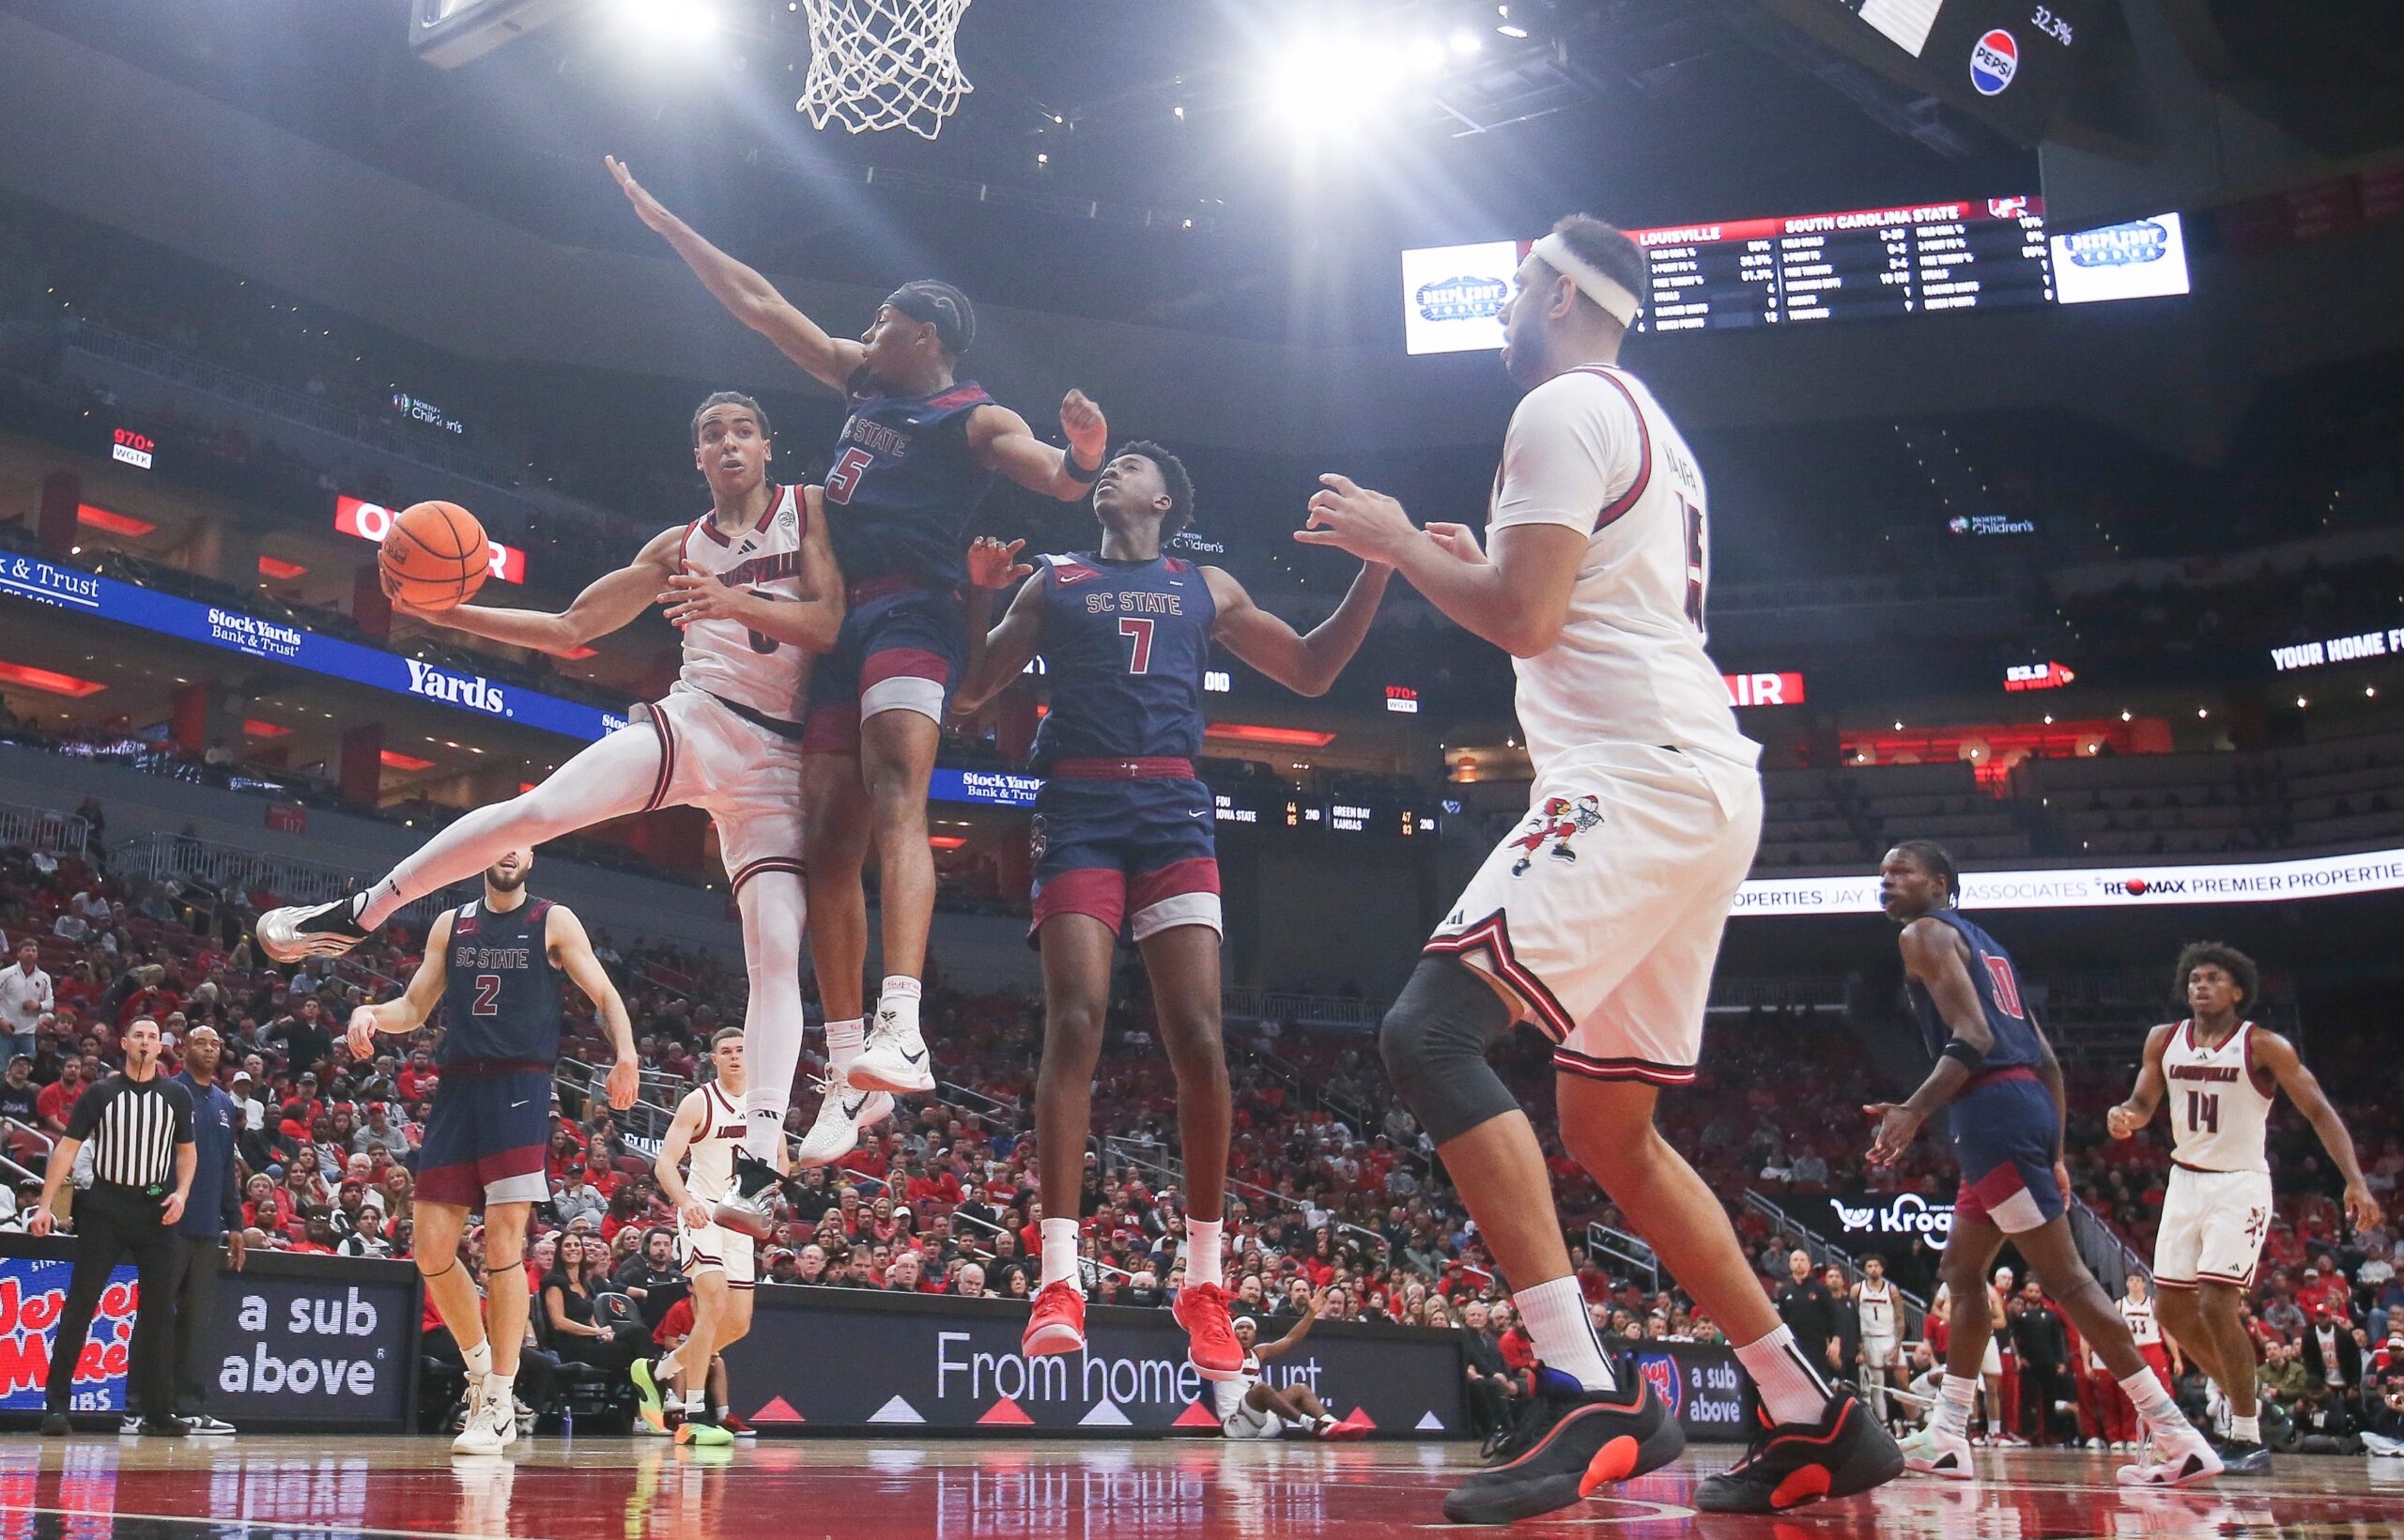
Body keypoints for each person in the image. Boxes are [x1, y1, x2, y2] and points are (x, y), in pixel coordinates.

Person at [1298, 213, 1900, 1521]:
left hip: (1632, 778)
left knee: (1433, 1033)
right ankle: (1811, 1411)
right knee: (1609, 1127)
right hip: (1693, 782)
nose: (1507, 301)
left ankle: (1586, 1386)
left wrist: (1406, 543)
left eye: (1520, 282)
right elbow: (1553, 609)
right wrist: (1446, 555)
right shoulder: (1646, 420)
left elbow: (1528, 618)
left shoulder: (1561, 405)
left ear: (1563, 291)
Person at [255, 393, 846, 1209]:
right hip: (700, 720)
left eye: (743, 430)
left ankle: (761, 1153)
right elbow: (572, 627)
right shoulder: (678, 547)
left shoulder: (807, 513)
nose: (729, 442)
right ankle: (360, 911)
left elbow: (831, 622)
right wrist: (453, 611)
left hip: (779, 757)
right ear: (698, 458)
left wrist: (734, 602)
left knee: (776, 949)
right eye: (712, 433)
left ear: (769, 447)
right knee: (538, 812)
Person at [608, 156, 1109, 1105]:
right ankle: (850, 1070)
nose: (866, 328)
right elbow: (760, 303)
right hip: (832, 617)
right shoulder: (860, 380)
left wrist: (1082, 456)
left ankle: (902, 1022)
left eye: (882, 319)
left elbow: (1046, 473)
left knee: (892, 794)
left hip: (913, 608)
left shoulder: (974, 417)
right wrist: (671, 225)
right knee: (826, 838)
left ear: (924, 335)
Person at [949, 443, 1389, 1378]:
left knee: (1199, 1036)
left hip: (1175, 808)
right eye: (1109, 469)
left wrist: (1375, 573)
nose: (1111, 474)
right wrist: (980, 591)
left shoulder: (1206, 583)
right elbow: (972, 689)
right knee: (1075, 1021)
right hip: (1078, 807)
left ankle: (1203, 1280)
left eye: (1132, 465)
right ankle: (1058, 1279)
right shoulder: (1054, 578)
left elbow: (1310, 672)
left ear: (1162, 500)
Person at [1867, 840, 2219, 1487]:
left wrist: (1913, 1110)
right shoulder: (1988, 946)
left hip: (1989, 1112)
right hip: (2021, 1104)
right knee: (1962, 1272)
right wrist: (2054, 1151)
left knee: (2070, 1283)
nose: (1886, 882)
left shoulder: (1923, 933)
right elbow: (2050, 1060)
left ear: (1940, 884)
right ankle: (1946, 1435)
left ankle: (2177, 1437)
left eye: (1901, 872)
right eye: (1882, 873)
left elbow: (1971, 1038)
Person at [344, 850, 640, 1455]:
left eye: (522, 843)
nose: (509, 851)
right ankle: (480, 1369)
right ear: (484, 851)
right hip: (458, 1088)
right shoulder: (451, 924)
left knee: (505, 1243)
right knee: (430, 1251)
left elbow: (604, 994)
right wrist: (370, 1012)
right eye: (499, 840)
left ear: (530, 855)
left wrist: (627, 1051)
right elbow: (414, 1007)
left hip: (520, 1085)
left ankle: (501, 1397)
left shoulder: (553, 920)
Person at [2106, 941, 2382, 1474]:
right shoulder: (2163, 1040)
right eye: (2193, 979)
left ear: (2237, 990)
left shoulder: (2264, 1045)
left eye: (2212, 978)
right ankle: (2244, 1395)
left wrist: (2354, 1181)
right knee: (2171, 1311)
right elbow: (2143, 1102)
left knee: (2215, 1306)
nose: (2200, 986)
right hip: (2184, 1181)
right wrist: (2126, 1115)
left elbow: (2320, 1112)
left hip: (2239, 1185)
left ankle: (2248, 1435)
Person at [30, 1017, 194, 1436]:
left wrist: (182, 1193)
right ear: (124, 1043)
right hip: (105, 1205)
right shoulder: (101, 1092)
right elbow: (67, 1149)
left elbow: (187, 1153)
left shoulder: (177, 1095)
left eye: (152, 1037)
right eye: (138, 1035)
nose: (145, 1042)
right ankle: (56, 1406)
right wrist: (46, 1204)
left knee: (159, 1311)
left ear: (161, 1047)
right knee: (82, 1302)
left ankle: (156, 1413)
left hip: (155, 1209)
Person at [636, 1027, 763, 1446]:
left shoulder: (765, 1103)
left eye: (741, 1050)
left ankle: (658, 1372)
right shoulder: (699, 1101)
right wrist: (685, 1200)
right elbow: (665, 1164)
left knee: (738, 1324)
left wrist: (767, 1202)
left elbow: (779, 1158)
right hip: (703, 1210)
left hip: (740, 1215)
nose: (735, 1057)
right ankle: (693, 1415)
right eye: (726, 1051)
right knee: (713, 1303)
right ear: (714, 1059)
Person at [162, 1024, 242, 1435]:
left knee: (196, 1323)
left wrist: (237, 1225)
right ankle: (141, 1405)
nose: (210, 1048)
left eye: (216, 1043)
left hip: (209, 1227)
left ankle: (191, 1406)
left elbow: (227, 1170)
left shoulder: (226, 1103)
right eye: (201, 1042)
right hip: (169, 1224)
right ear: (183, 1048)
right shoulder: (168, 1093)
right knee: (157, 1317)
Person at [1215, 1296, 1366, 1442]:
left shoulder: (1258, 1353)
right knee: (1261, 1389)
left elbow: (1291, 1339)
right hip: (1236, 1426)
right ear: (1232, 1334)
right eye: (1240, 1328)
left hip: (1264, 1425)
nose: (1245, 1331)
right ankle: (1312, 1424)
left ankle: (1330, 1424)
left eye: (1249, 1328)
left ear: (1254, 1334)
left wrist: (1311, 1313)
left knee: (1299, 1389)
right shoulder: (1221, 1354)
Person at [1856, 1255, 1904, 1428]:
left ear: (1882, 1269)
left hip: (1889, 1338)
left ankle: (1909, 1421)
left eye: (1876, 1265)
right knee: (1877, 1385)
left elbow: (1900, 1318)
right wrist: (1860, 1346)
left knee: (1902, 1381)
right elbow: (1853, 1318)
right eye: (1869, 1266)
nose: (1873, 1269)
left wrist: (1897, 1346)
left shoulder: (1891, 1289)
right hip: (1870, 1339)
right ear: (1864, 1269)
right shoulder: (1857, 1289)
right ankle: (1884, 1424)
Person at [0, 937, 52, 1067]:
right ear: (19, 953)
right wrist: (1, 1020)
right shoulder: (5, 974)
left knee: (25, 1069)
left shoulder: (44, 978)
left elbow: (50, 1003)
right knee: (2, 1068)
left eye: (34, 950)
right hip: (5, 1031)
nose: (30, 953)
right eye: (27, 950)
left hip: (28, 1034)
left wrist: (38, 1005)